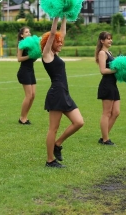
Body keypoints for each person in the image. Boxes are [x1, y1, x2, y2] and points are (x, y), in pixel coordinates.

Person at [41, 17, 84, 168]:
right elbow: (53, 33)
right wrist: (56, 16)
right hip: (56, 93)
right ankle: (50, 160)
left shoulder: (55, 54)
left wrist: (65, 15)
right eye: (57, 41)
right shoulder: (47, 55)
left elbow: (61, 33)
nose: (60, 43)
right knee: (53, 128)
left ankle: (57, 144)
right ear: (50, 42)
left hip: (64, 92)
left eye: (61, 42)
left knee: (79, 122)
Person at [95, 32, 120, 146]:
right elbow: (103, 70)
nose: (110, 41)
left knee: (116, 112)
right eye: (108, 39)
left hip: (113, 85)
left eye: (111, 39)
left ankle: (104, 136)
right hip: (107, 85)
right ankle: (105, 139)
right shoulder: (102, 53)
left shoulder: (109, 52)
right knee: (106, 113)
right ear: (102, 41)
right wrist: (116, 70)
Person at [16, 27, 36, 125]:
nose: (29, 33)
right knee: (28, 96)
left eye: (29, 31)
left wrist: (35, 55)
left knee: (33, 96)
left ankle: (25, 116)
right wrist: (29, 56)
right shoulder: (21, 44)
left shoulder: (31, 44)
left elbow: (32, 59)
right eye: (26, 32)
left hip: (31, 71)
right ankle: (22, 118)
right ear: (22, 35)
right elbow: (19, 58)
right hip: (24, 71)